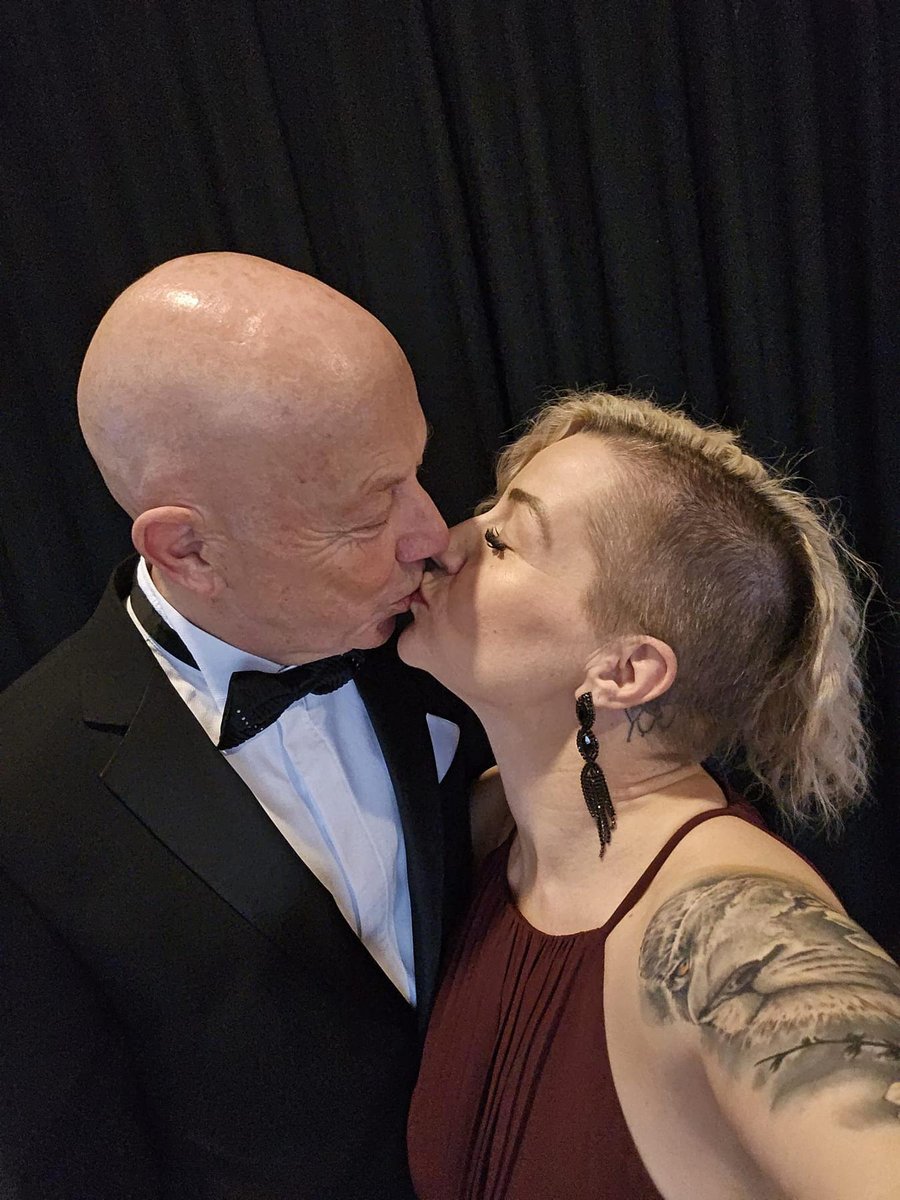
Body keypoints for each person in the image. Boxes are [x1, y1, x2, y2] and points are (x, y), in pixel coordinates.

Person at [0, 252, 492, 1199]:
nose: (433, 534)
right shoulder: (21, 804)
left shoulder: (442, 629)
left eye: (416, 469)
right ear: (187, 548)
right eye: (366, 516)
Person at [402, 391, 900, 1200]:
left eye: (502, 539)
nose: (443, 542)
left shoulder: (736, 930)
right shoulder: (491, 832)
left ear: (625, 671)